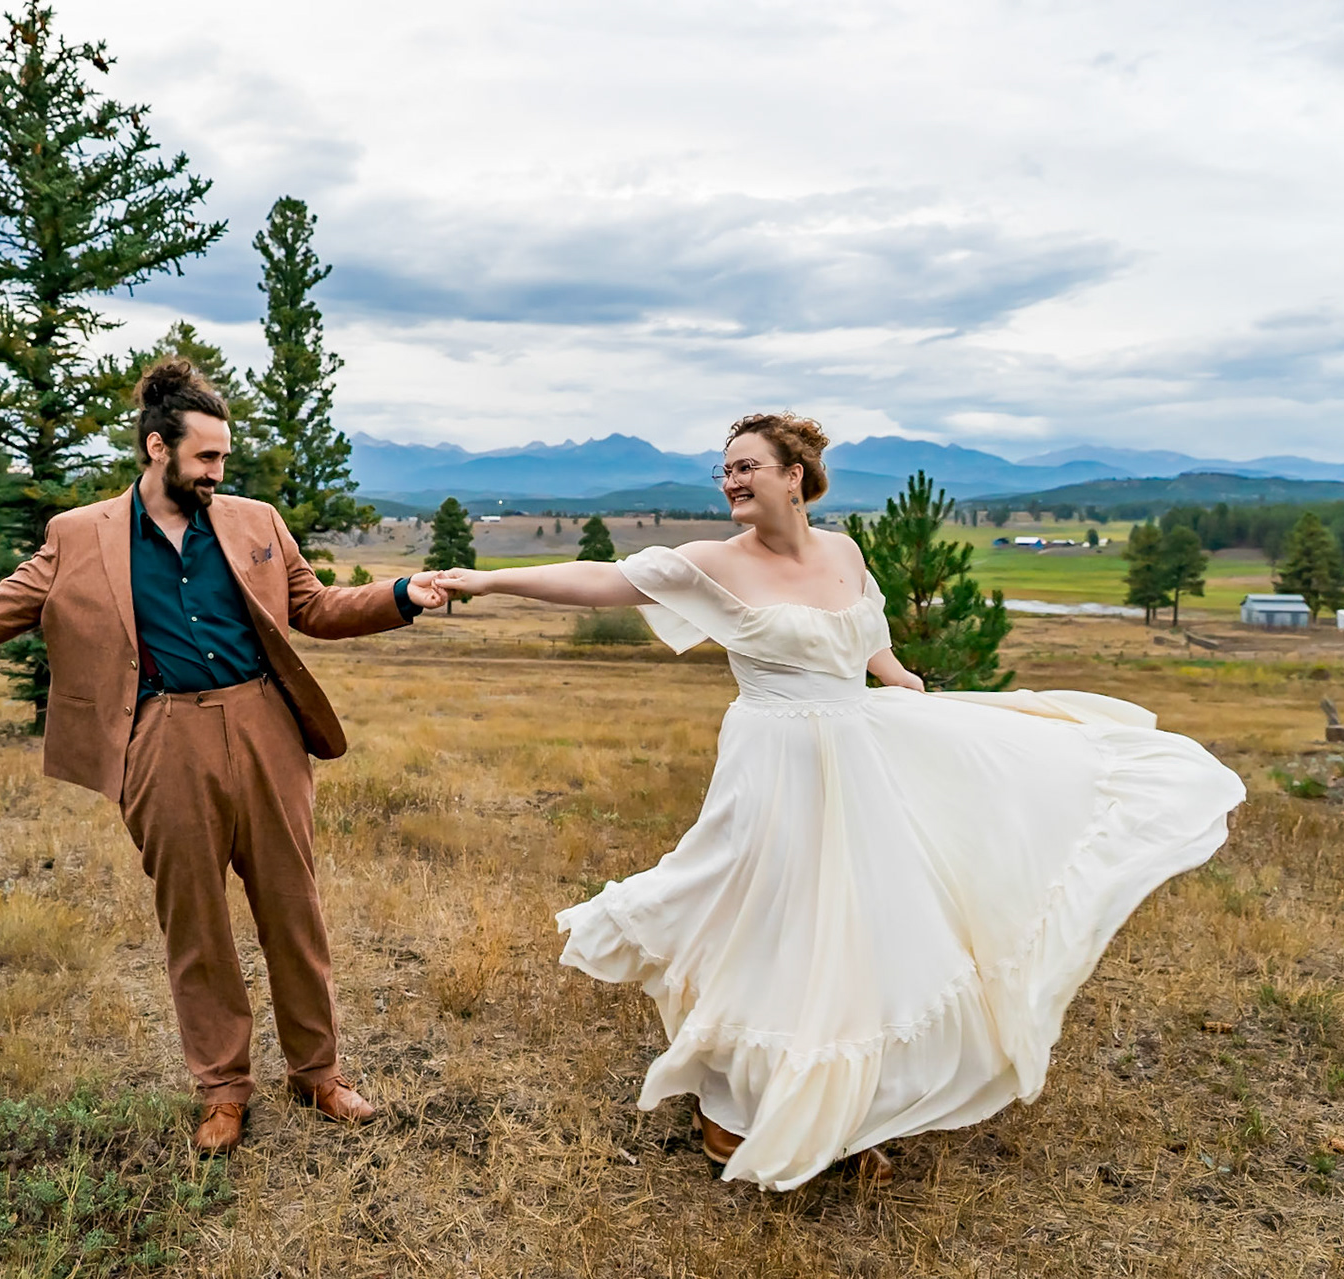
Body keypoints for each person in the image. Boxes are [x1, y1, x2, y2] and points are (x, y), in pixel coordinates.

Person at [433, 413, 1244, 1190]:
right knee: (768, 915)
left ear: (796, 477)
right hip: (771, 761)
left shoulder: (847, 550)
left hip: (859, 751)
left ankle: (854, 1106)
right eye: (724, 469)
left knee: (866, 922)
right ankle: (736, 1101)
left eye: (747, 465)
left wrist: (901, 681)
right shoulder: (718, 561)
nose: (731, 480)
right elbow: (602, 580)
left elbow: (871, 631)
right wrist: (486, 578)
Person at [0, 359, 447, 1155]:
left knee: (293, 907)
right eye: (206, 457)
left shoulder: (256, 521)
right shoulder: (78, 538)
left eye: (224, 457)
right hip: (163, 742)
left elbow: (314, 607)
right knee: (196, 925)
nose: (219, 472)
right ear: (156, 448)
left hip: (265, 727)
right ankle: (222, 1089)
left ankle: (317, 1072)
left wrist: (400, 595)